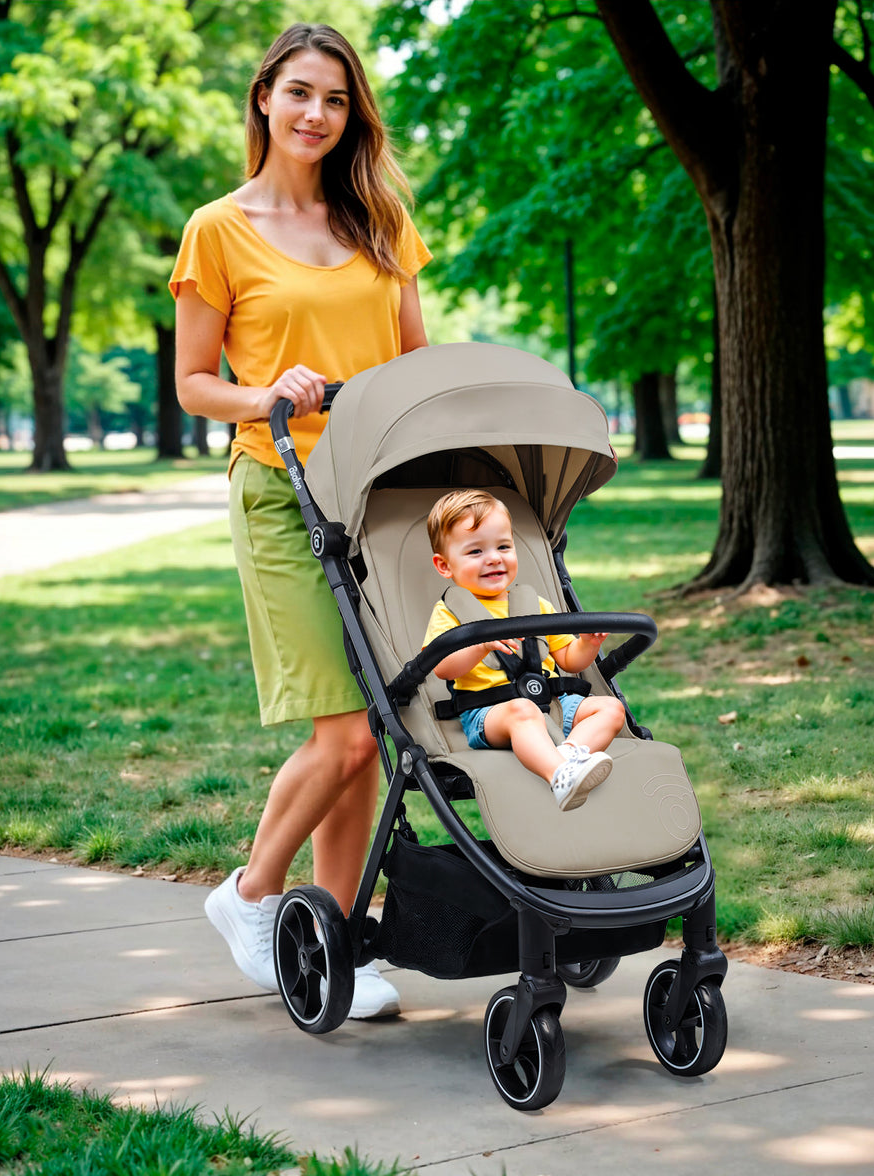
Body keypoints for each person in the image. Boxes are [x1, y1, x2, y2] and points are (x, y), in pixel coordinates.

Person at [169, 23, 431, 1017]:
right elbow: (194, 382)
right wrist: (266, 393)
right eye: (300, 93)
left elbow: (414, 360)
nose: (317, 113)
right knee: (346, 731)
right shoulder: (217, 228)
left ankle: (337, 939)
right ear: (264, 98)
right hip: (282, 489)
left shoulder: (380, 220)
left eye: (336, 98)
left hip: (379, 491)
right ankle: (249, 895)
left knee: (368, 730)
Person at [423, 490, 627, 811]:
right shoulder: (449, 613)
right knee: (522, 710)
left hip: (553, 705)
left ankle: (568, 756)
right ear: (444, 565)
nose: (494, 558)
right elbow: (443, 667)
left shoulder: (535, 605)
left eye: (504, 547)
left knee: (611, 709)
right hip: (490, 713)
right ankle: (558, 775)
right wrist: (479, 645)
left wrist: (587, 643)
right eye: (475, 551)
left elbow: (569, 660)